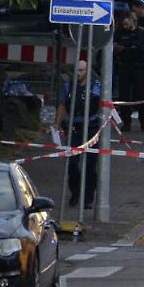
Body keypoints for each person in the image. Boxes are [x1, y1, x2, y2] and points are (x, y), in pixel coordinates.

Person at [56, 61, 101, 208]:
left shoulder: (95, 86)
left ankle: (88, 198)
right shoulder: (69, 86)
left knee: (90, 166)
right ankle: (75, 193)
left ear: (87, 71)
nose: (78, 73)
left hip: (91, 129)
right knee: (73, 164)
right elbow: (62, 104)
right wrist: (57, 124)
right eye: (76, 70)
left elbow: (102, 104)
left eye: (81, 70)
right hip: (74, 127)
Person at [114, 13, 144, 132]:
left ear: (133, 22)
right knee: (124, 96)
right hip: (125, 68)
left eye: (127, 24)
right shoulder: (120, 33)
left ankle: (143, 120)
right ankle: (126, 122)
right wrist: (118, 49)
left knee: (141, 96)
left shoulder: (142, 34)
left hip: (139, 69)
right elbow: (114, 48)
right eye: (123, 24)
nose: (125, 26)